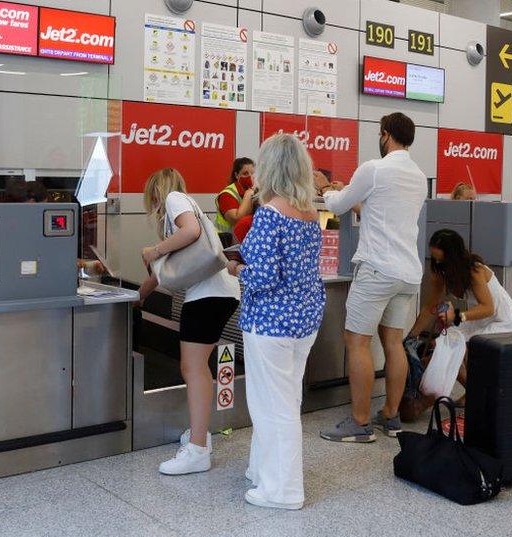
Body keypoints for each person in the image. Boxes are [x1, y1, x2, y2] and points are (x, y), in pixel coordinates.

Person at [226, 133, 325, 510]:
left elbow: (264, 275)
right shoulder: (309, 212)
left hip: (271, 322)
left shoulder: (270, 213)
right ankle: (261, 470)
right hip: (304, 319)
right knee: (285, 399)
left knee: (273, 406)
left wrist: (236, 268)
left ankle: (282, 491)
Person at [318, 112, 427, 442]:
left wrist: (325, 188)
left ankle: (359, 422)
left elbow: (335, 205)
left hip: (378, 269)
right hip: (407, 273)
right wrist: (355, 198)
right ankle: (390, 416)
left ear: (385, 135)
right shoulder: (418, 176)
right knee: (393, 342)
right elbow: (379, 214)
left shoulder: (374, 168)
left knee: (357, 341)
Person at [138, 168, 241, 475]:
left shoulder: (174, 199)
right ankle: (201, 436)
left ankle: (196, 450)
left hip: (207, 296)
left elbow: (192, 232)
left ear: (156, 190)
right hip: (220, 293)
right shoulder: (183, 207)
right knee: (197, 367)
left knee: (192, 368)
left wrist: (154, 249)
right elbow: (163, 273)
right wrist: (139, 295)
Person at [409, 229, 512, 389]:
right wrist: (411, 337)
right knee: (444, 344)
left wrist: (455, 317)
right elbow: (429, 307)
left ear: (453, 256)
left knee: (466, 347)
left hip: (501, 320)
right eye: (435, 260)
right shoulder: (440, 272)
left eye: (442, 260)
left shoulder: (475, 270)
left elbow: (488, 308)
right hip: (477, 319)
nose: (438, 264)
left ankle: (474, 393)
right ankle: (472, 391)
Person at [214, 157, 257, 234]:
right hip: (226, 241)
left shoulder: (255, 191)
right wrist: (248, 194)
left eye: (252, 173)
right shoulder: (227, 195)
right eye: (245, 173)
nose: (250, 177)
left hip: (244, 240)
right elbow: (237, 220)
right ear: (237, 175)